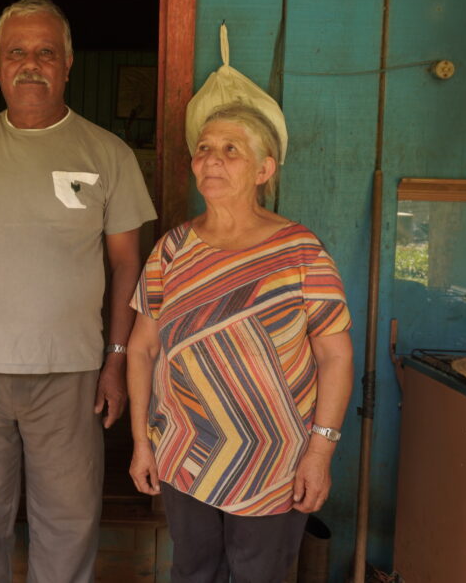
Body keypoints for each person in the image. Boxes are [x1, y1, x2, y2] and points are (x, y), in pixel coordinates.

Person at [0, 0, 157, 583]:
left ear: (68, 63)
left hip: (72, 374)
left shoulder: (108, 153)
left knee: (69, 522)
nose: (31, 64)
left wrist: (116, 360)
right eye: (16, 52)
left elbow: (130, 265)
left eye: (45, 52)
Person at [126, 102, 354, 583]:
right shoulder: (171, 249)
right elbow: (143, 349)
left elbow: (335, 356)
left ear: (263, 169)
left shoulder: (301, 252)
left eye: (231, 150)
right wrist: (141, 443)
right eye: (204, 149)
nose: (212, 159)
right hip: (186, 450)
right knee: (192, 570)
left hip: (276, 457)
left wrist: (321, 452)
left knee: (261, 575)